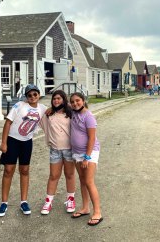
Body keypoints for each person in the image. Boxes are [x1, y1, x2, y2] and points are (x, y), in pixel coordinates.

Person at [0, 84, 47, 217]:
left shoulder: (42, 108)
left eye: (35, 94)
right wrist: (3, 142)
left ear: (39, 95)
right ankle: (4, 202)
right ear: (26, 97)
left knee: (24, 170)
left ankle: (24, 201)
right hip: (12, 140)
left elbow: (56, 112)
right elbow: (7, 122)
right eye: (29, 95)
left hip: (27, 142)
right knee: (8, 170)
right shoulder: (19, 105)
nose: (32, 97)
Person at [39, 90, 76, 215]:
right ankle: (48, 201)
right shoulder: (48, 114)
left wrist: (67, 106)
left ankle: (70, 199)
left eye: (59, 98)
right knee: (53, 176)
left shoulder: (70, 113)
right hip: (55, 149)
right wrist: (49, 109)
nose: (56, 101)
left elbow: (82, 108)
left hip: (69, 149)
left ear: (64, 100)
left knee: (69, 175)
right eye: (54, 98)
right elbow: (37, 113)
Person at [69, 92, 103, 226]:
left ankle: (97, 212)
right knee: (82, 181)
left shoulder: (88, 116)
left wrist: (86, 158)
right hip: (76, 153)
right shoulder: (74, 113)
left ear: (83, 101)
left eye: (78, 101)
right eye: (72, 102)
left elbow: (92, 138)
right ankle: (85, 208)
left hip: (89, 153)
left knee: (89, 181)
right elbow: (59, 105)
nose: (75, 103)